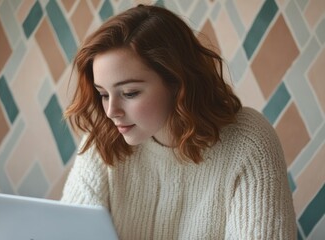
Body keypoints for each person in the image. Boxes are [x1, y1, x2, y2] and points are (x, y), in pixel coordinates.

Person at [61, 4, 297, 239]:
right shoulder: (104, 138)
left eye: (130, 93)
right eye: (103, 94)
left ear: (177, 82)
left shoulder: (248, 142)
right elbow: (64, 233)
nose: (111, 111)